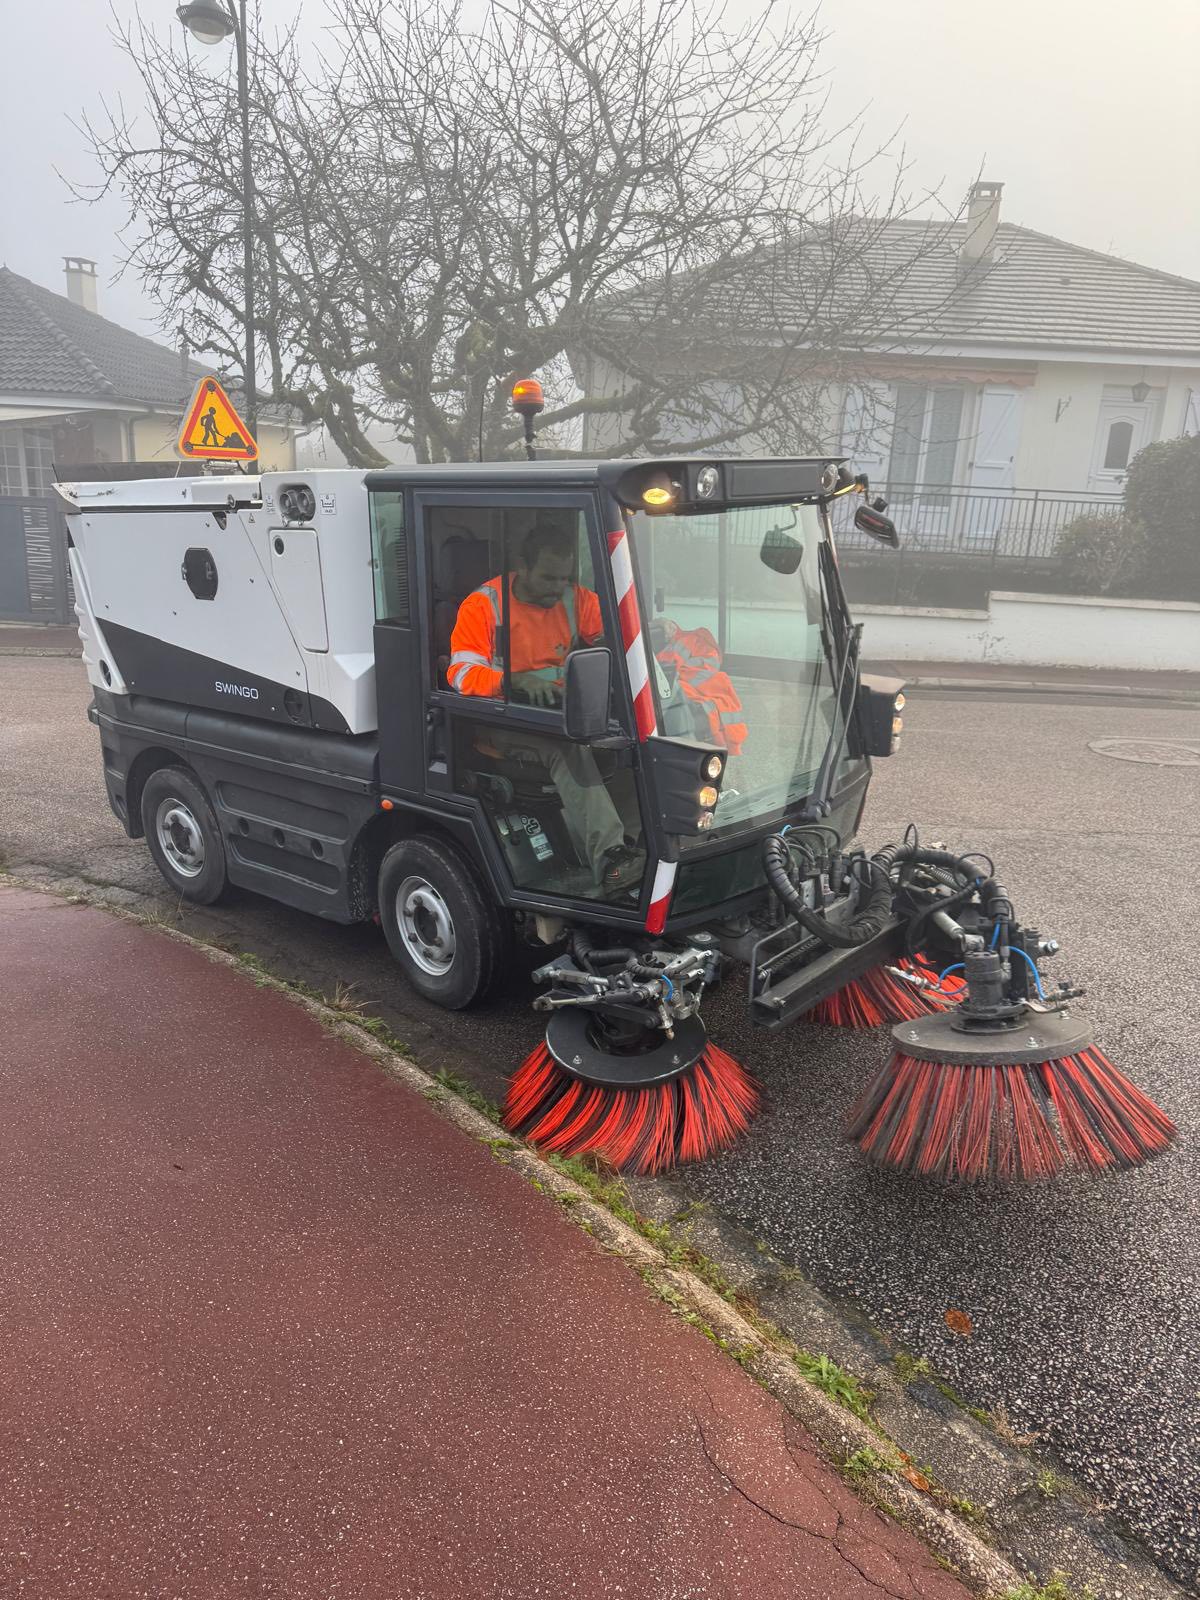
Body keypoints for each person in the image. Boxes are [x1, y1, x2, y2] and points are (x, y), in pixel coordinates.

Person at [448, 520, 640, 890]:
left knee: (632, 744)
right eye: (548, 578)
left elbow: (616, 633)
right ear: (523, 566)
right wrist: (511, 681)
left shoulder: (576, 598)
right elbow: (460, 674)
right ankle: (611, 862)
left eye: (563, 579)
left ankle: (631, 848)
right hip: (501, 720)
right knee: (570, 750)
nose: (557, 590)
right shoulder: (484, 605)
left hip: (560, 711)